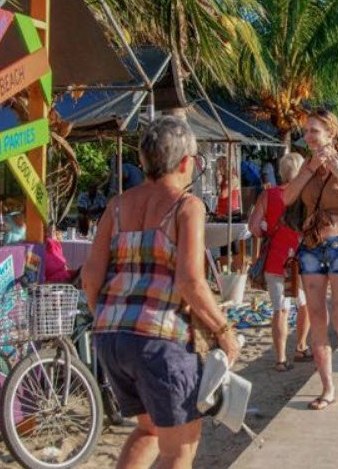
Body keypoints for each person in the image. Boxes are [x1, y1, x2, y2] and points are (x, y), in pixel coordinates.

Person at [82, 116, 239, 468]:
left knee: (149, 431)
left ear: (144, 161)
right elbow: (190, 281)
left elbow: (90, 277)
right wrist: (224, 332)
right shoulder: (187, 206)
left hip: (112, 337)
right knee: (178, 450)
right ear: (186, 163)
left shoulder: (117, 206)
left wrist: (110, 318)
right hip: (160, 342)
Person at [283, 108, 338, 410]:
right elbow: (286, 198)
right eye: (306, 131)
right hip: (311, 247)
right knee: (317, 320)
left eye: (314, 131)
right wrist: (309, 170)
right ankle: (327, 388)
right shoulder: (306, 165)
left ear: (331, 134)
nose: (307, 136)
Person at [248, 153, 311, 372]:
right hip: (301, 259)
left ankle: (281, 359)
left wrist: (268, 229)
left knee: (280, 310)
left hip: (275, 259)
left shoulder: (268, 195)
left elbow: (253, 227)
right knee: (305, 305)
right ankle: (301, 347)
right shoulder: (306, 196)